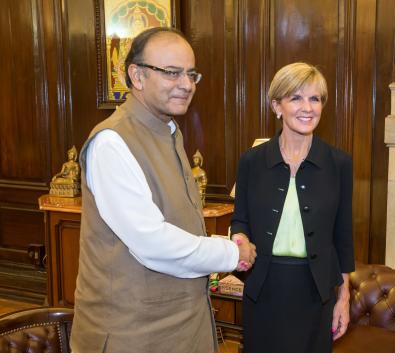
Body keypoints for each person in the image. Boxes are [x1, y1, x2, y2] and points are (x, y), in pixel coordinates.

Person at [70, 27, 256, 353]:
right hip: (134, 334)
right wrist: (230, 253)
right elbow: (151, 242)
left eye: (191, 74)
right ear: (137, 76)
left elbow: (175, 224)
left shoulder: (168, 130)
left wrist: (223, 243)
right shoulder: (112, 141)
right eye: (172, 73)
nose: (186, 85)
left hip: (181, 327)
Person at [231, 62, 354, 353]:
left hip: (316, 292)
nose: (307, 107)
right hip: (264, 288)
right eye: (296, 98)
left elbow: (343, 236)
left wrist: (344, 298)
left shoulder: (339, 163)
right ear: (277, 106)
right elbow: (241, 221)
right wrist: (240, 241)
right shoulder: (251, 161)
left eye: (315, 99)